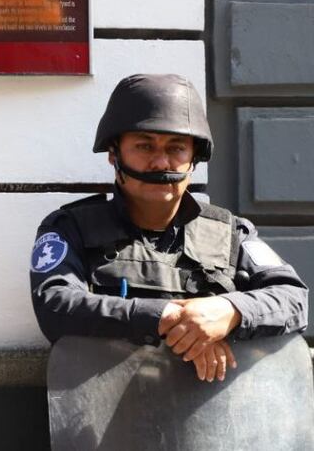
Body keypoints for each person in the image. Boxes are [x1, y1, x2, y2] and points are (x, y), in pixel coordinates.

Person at [30, 73, 308, 382]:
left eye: (176, 148)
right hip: (105, 407)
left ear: (194, 158)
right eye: (144, 146)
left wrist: (229, 311)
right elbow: (54, 306)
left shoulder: (230, 233)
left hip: (216, 408)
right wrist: (169, 319)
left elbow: (293, 298)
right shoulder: (71, 228)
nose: (161, 163)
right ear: (114, 154)